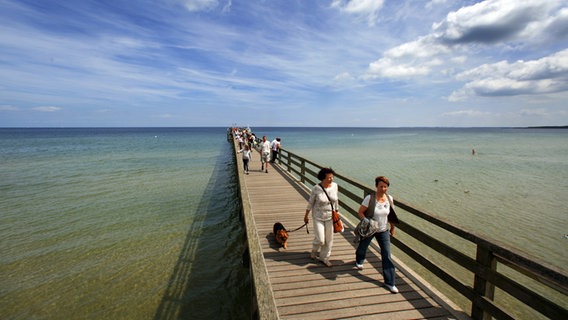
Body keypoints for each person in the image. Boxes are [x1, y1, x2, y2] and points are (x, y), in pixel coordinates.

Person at [354, 176, 399, 293]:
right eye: (381, 186)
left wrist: (392, 228)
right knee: (363, 247)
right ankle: (359, 260)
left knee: (387, 254)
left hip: (383, 230)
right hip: (371, 229)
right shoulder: (370, 198)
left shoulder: (389, 199)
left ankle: (390, 282)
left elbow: (391, 215)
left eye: (385, 186)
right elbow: (360, 212)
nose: (383, 189)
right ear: (376, 186)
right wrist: (367, 221)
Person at [304, 167, 338, 267]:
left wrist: (337, 212)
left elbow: (336, 200)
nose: (331, 179)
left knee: (329, 239)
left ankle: (325, 258)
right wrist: (306, 215)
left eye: (332, 177)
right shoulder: (316, 188)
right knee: (320, 239)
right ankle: (314, 251)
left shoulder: (335, 186)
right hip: (318, 216)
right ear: (322, 178)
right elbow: (311, 202)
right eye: (329, 178)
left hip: (330, 216)